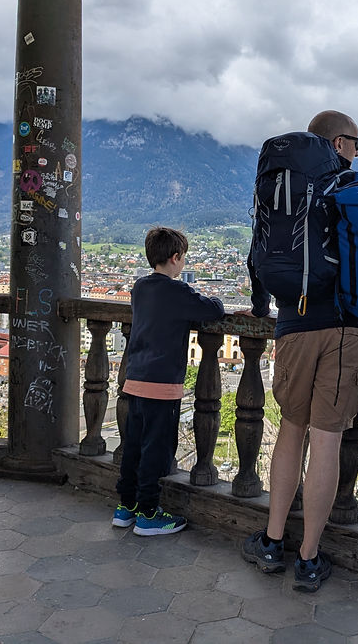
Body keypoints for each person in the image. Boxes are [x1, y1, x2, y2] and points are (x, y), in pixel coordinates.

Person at [241, 110, 358, 591]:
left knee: (290, 432)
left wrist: (262, 305)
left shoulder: (284, 187)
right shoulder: (350, 187)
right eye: (356, 143)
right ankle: (308, 558)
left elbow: (258, 248)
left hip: (292, 323)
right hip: (345, 328)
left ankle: (271, 540)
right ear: (340, 142)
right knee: (325, 440)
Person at [112, 226, 225, 536]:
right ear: (176, 258)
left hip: (135, 380)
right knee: (156, 450)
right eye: (183, 258)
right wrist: (208, 296)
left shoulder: (139, 288)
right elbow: (214, 309)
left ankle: (126, 507)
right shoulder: (178, 292)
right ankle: (149, 513)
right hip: (162, 386)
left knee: (133, 446)